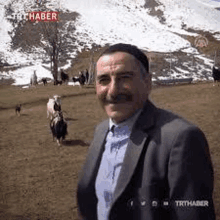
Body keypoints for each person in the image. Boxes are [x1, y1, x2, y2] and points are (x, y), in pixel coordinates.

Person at [77, 43, 215, 220]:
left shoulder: (181, 139)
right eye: (104, 80)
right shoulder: (101, 131)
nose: (112, 91)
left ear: (147, 83)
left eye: (124, 78)